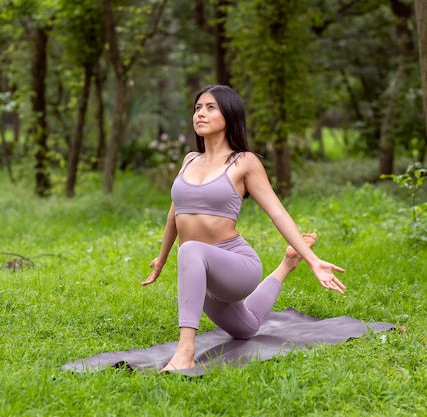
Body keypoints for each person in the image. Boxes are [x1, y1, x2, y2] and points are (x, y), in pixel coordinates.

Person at [140, 85, 346, 372]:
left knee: (189, 249)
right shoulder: (189, 159)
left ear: (229, 115)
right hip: (202, 274)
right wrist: (161, 260)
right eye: (198, 107)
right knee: (246, 329)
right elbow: (175, 214)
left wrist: (314, 261)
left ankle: (185, 351)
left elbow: (276, 211)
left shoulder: (244, 162)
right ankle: (287, 264)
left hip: (237, 266)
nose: (201, 113)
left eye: (210, 107)